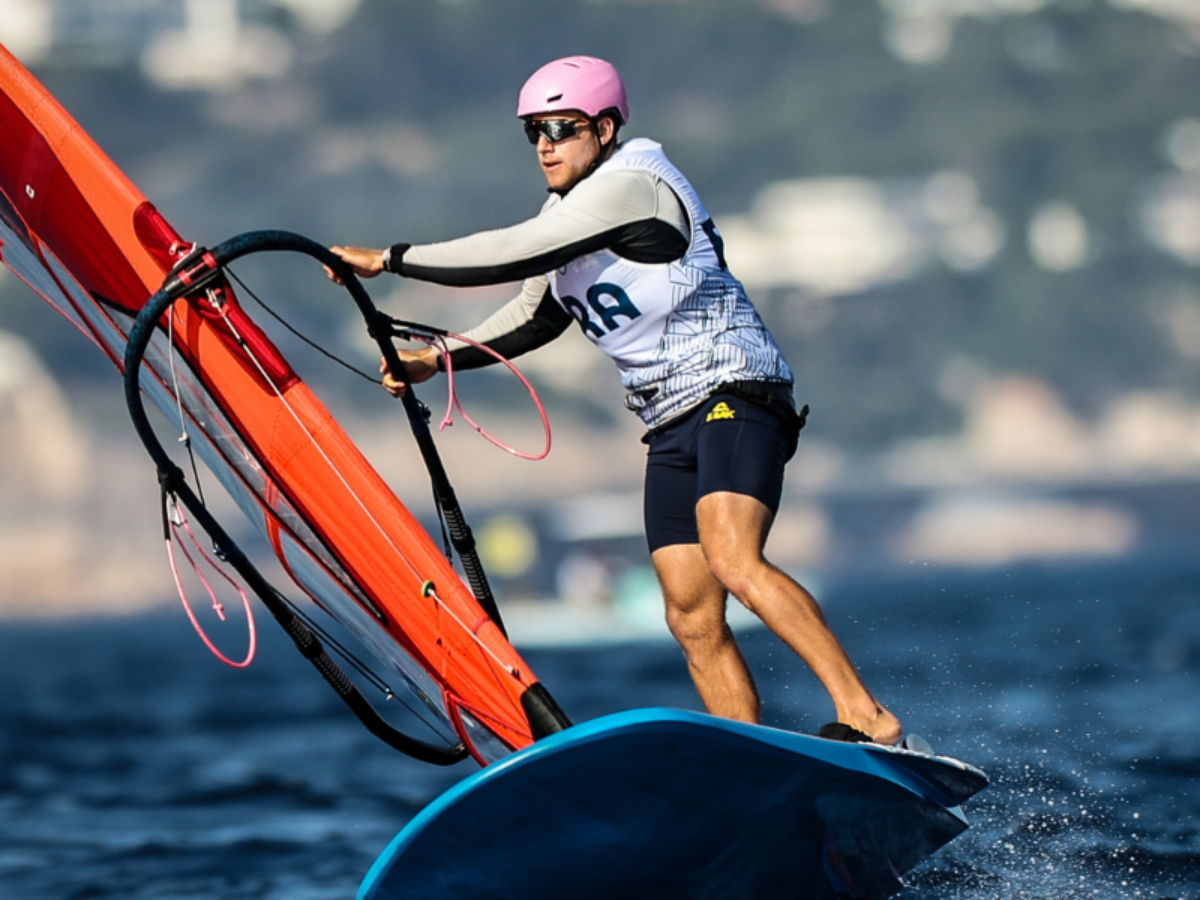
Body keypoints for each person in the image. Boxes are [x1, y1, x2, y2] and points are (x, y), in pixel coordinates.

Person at [329, 56, 902, 744]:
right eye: (534, 132)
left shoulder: (635, 185)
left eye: (561, 129)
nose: (545, 145)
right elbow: (534, 316)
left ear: (604, 129)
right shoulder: (565, 216)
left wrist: (390, 259)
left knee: (733, 560)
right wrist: (437, 359)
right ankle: (748, 756)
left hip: (736, 388)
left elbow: (514, 251)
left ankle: (865, 714)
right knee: (689, 615)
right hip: (669, 421)